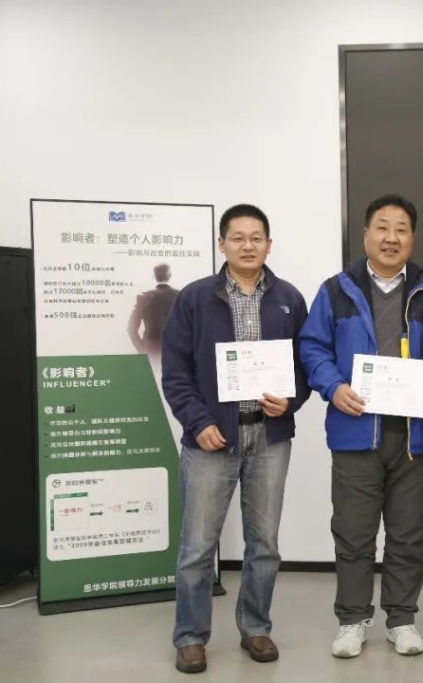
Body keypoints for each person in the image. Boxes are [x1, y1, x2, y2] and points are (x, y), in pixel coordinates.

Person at [161, 204, 311, 674]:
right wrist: (197, 421)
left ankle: (256, 627)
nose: (248, 245)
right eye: (238, 237)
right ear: (221, 243)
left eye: (257, 237)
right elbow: (175, 371)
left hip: (270, 437)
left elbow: (305, 365)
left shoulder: (289, 298)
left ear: (269, 244)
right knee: (198, 546)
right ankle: (191, 636)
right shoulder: (195, 298)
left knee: (264, 543)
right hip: (211, 437)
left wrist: (291, 399)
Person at [298, 193, 423, 659]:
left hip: (414, 435)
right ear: (365, 235)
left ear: (412, 239)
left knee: (408, 534)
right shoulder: (335, 290)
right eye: (382, 227)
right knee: (354, 534)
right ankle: (352, 619)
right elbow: (312, 347)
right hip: (356, 430)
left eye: (401, 229)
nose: (391, 237)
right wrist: (334, 386)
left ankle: (401, 619)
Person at [128, 263, 180, 357]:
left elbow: (131, 328)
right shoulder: (180, 297)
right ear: (169, 275)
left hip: (151, 350)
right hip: (175, 351)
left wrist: (141, 350)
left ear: (154, 276)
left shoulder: (144, 298)